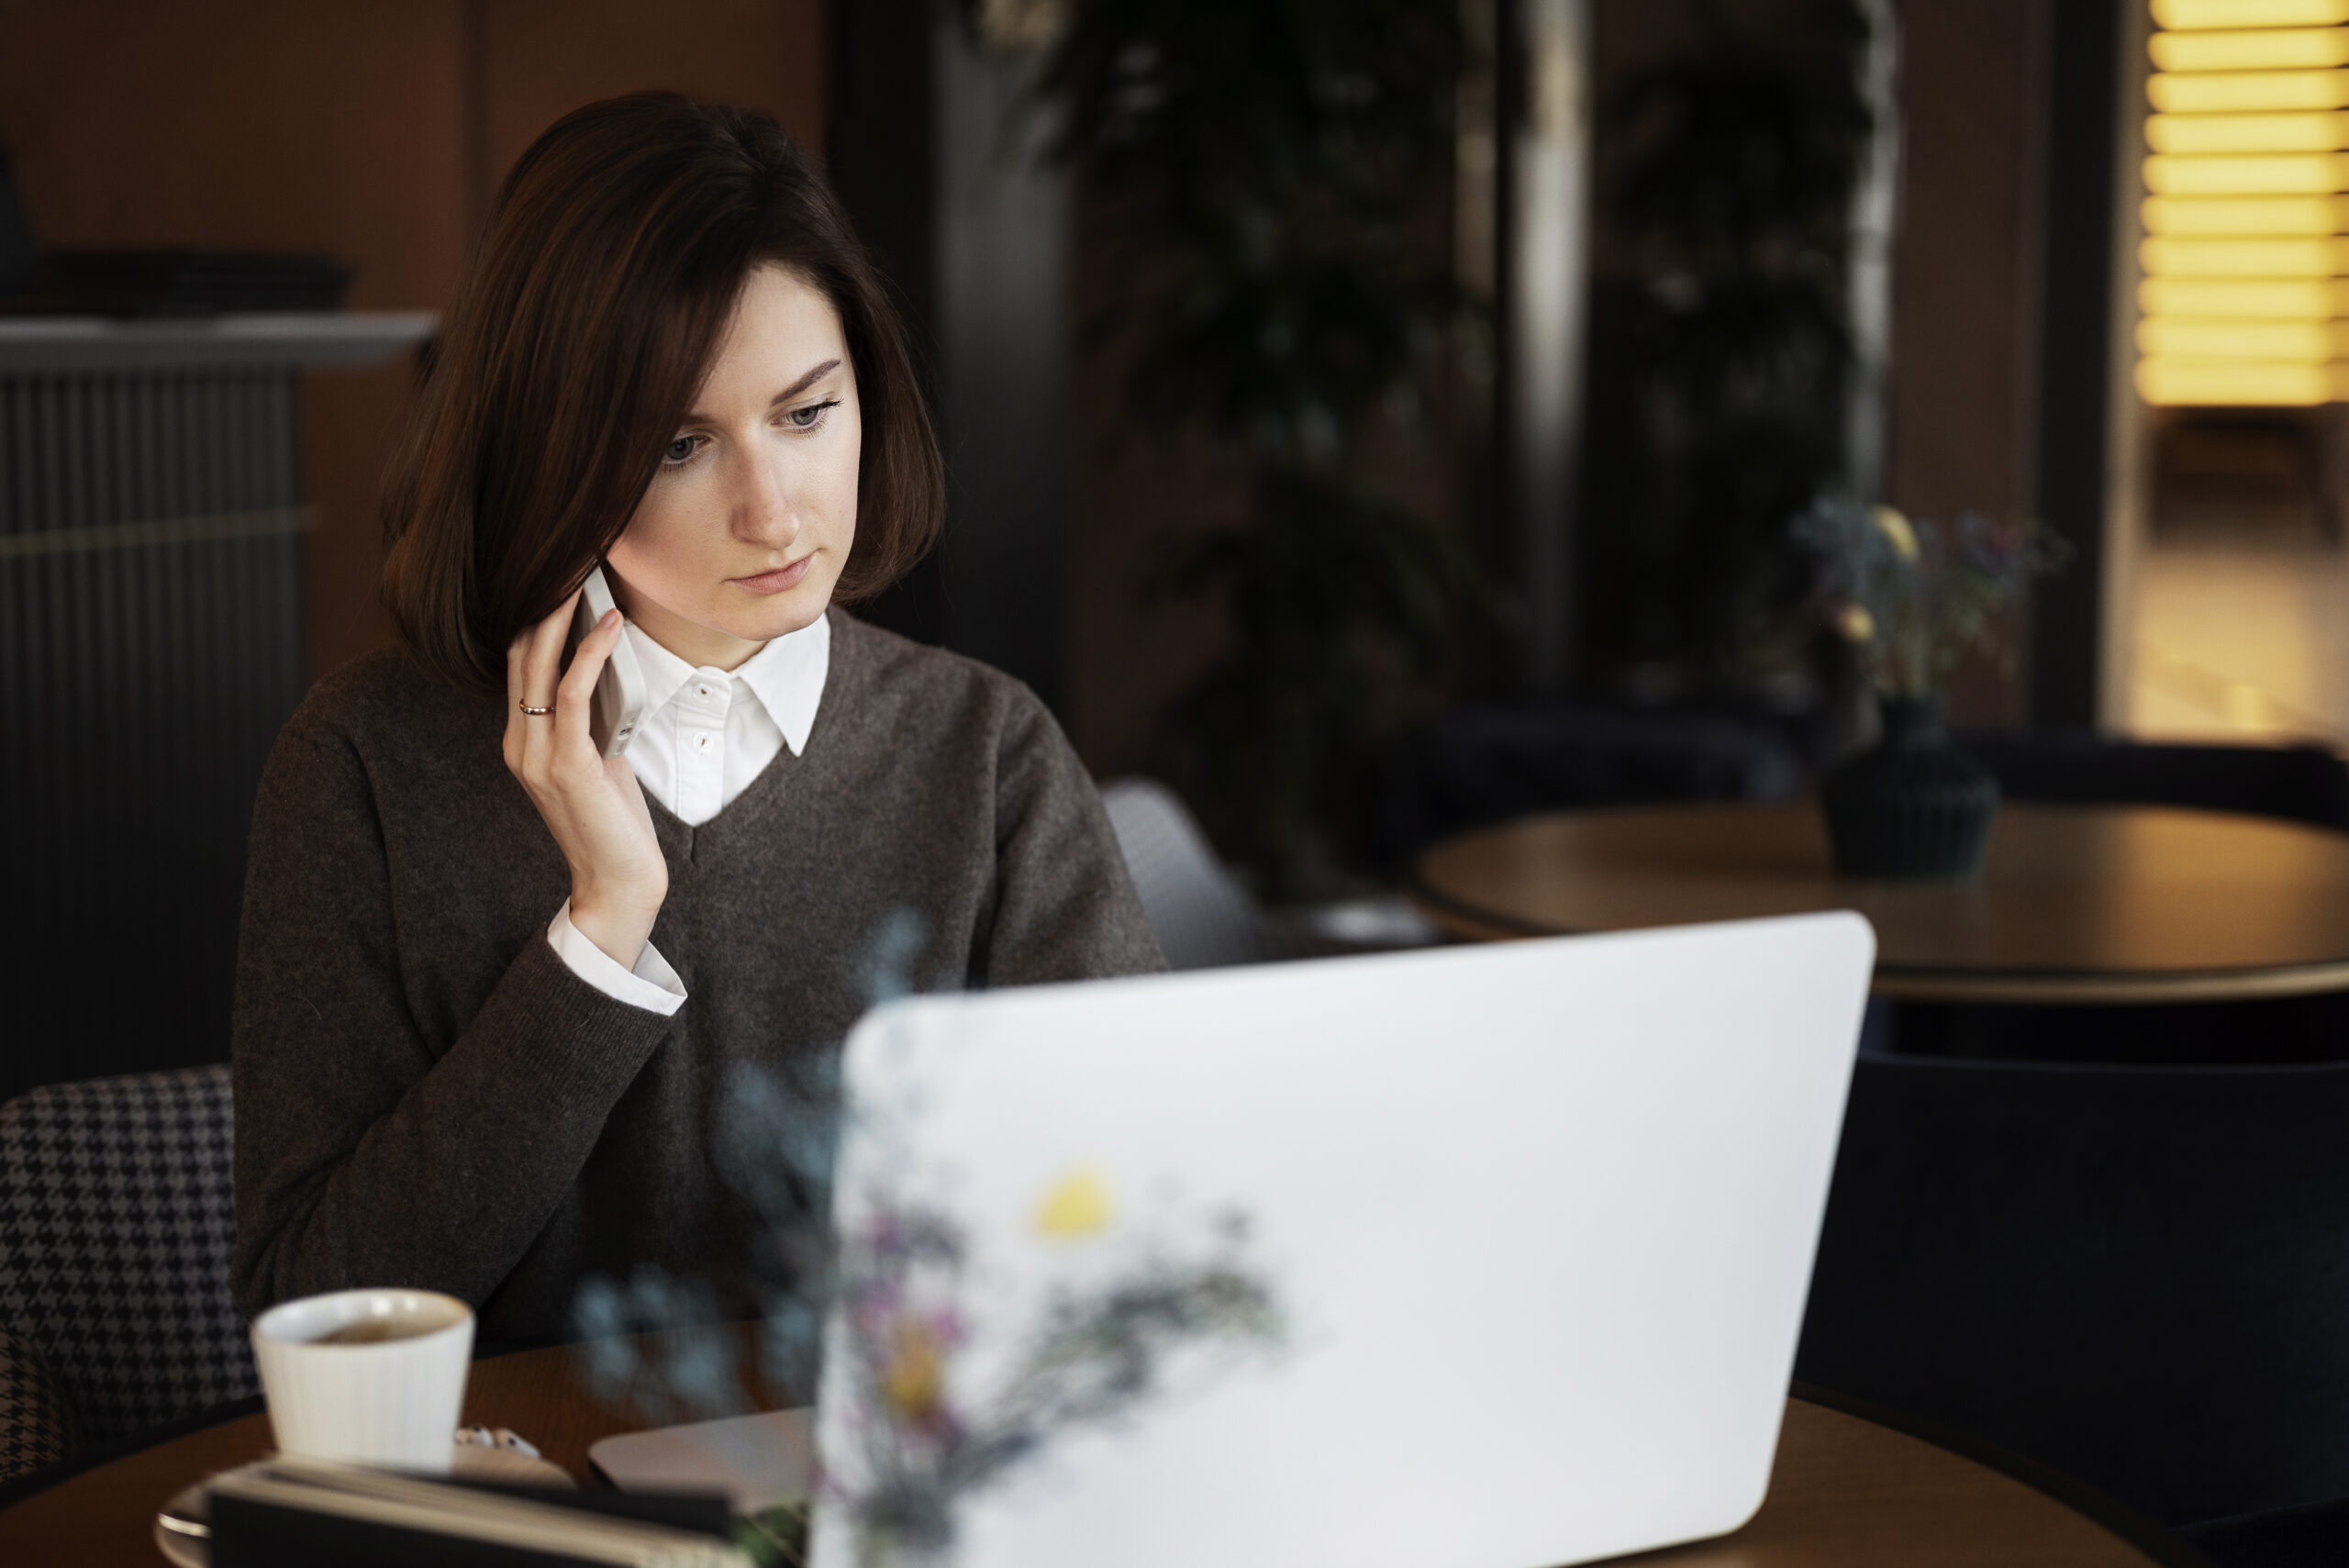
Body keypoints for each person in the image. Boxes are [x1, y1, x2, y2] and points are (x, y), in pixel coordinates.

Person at [231, 94, 1164, 1344]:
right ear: (551, 452)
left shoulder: (987, 758)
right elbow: (315, 1310)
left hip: (888, 1508)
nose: (775, 511)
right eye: (681, 443)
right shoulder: (364, 764)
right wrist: (601, 931)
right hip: (512, 1522)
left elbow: (1140, 1230)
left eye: (806, 412)